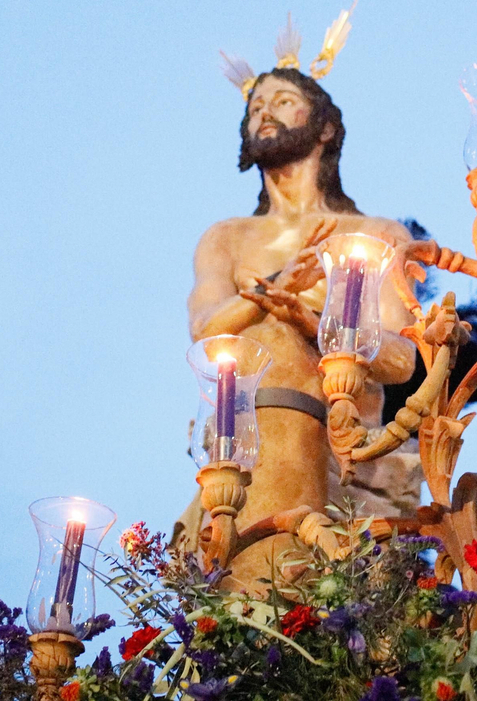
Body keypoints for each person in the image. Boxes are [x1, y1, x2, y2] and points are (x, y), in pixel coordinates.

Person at [181, 56, 419, 573]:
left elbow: (402, 359)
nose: (264, 113)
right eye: (255, 107)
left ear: (325, 127)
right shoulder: (225, 238)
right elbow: (204, 332)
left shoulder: (375, 236)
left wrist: (314, 323)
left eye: (283, 101)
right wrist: (278, 288)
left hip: (347, 462)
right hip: (242, 461)